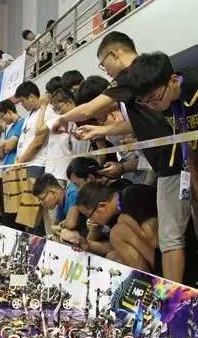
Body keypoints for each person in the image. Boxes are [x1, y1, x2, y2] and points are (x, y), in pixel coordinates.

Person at [50, 32, 187, 283]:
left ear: (115, 54)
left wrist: (60, 119)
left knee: (170, 238)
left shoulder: (129, 77)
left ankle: (172, 294)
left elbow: (89, 108)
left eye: (104, 64)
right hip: (166, 162)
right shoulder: (136, 83)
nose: (106, 71)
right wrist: (100, 131)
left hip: (175, 160)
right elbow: (137, 125)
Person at [126, 51, 198, 210]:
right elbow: (187, 140)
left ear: (173, 81)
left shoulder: (194, 87)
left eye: (154, 98)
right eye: (144, 101)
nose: (152, 106)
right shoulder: (165, 102)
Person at [77, 182, 161, 274]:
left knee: (117, 233)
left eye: (88, 215)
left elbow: (154, 240)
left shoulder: (133, 196)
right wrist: (89, 244)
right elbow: (117, 246)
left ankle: (144, 280)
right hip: (156, 255)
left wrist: (127, 220)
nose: (90, 220)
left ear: (102, 207)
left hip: (166, 256)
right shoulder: (116, 212)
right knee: (112, 256)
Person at [13, 81, 53, 233]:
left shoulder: (45, 111)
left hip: (37, 164)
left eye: (22, 101)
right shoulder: (29, 116)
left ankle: (38, 237)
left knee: (36, 210)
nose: (22, 105)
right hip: (26, 165)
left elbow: (38, 141)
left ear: (31, 96)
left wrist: (20, 161)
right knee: (28, 210)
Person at [0, 99, 25, 228]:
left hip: (14, 172)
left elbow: (9, 147)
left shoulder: (21, 123)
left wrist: (3, 145)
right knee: (6, 211)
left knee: (14, 212)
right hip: (5, 172)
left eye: (2, 116)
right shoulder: (10, 129)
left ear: (8, 112)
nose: (3, 119)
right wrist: (3, 147)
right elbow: (2, 152)